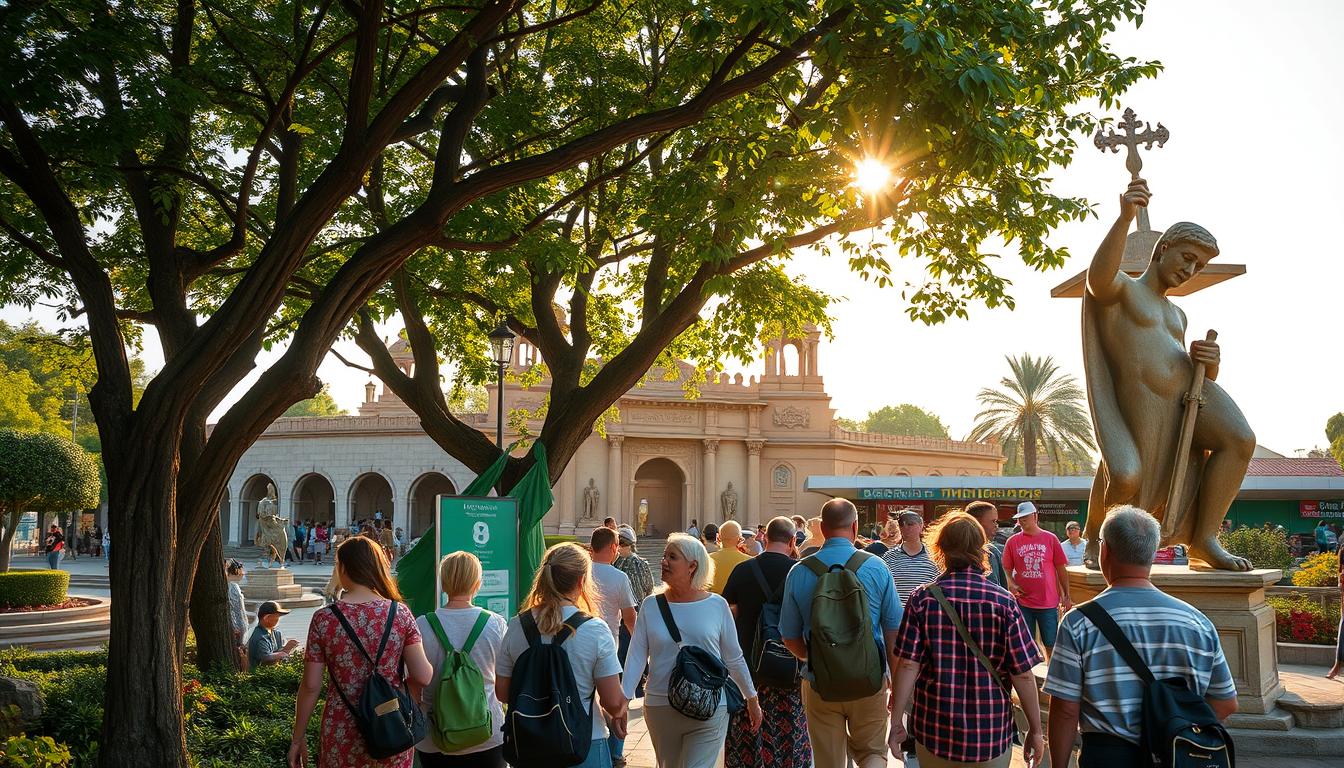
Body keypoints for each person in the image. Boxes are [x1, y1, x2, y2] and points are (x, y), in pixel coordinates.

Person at [1045, 506, 1238, 768]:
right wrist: (1172, 728)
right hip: (1178, 755)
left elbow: (1066, 711)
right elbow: (1226, 703)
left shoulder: (1079, 623)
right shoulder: (1196, 622)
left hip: (1108, 757)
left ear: (1105, 551)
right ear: (1153, 553)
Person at [888, 512, 1045, 768]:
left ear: (939, 549)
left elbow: (907, 665)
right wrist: (1036, 731)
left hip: (935, 732)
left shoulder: (922, 600)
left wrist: (895, 723)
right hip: (990, 735)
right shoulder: (1004, 602)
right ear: (980, 549)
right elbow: (1023, 674)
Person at [779, 499, 903, 768]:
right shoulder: (877, 567)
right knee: (872, 752)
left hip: (820, 682)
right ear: (855, 526)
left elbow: (788, 636)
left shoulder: (799, 571)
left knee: (829, 761)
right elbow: (894, 631)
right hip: (869, 679)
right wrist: (894, 681)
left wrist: (814, 657)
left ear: (822, 528)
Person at [290, 536, 433, 768]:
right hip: (390, 728)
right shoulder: (401, 614)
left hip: (340, 732)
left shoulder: (324, 619)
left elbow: (311, 686)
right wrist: (396, 686)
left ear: (343, 568)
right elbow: (424, 675)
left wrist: (298, 738)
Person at [623, 534, 761, 767]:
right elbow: (636, 655)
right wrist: (624, 699)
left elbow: (733, 657)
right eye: (665, 556)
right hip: (660, 706)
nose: (664, 561)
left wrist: (751, 698)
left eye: (672, 557)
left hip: (710, 705)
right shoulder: (650, 605)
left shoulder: (717, 605)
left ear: (692, 566)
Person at [496, 543, 628, 768]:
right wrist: (620, 711)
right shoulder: (595, 629)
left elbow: (503, 693)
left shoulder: (517, 626)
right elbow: (613, 701)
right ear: (581, 581)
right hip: (583, 743)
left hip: (529, 745)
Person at [721, 517, 810, 768]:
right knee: (789, 738)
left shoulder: (743, 570)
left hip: (748, 670)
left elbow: (728, 612)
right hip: (788, 669)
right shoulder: (800, 571)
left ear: (765, 538)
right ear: (793, 541)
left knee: (746, 738)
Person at [415, 551, 508, 767]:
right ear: (477, 583)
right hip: (486, 732)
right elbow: (504, 676)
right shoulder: (495, 624)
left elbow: (414, 681)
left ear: (443, 582)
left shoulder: (423, 625)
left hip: (435, 735)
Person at [589, 526, 638, 766]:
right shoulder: (619, 577)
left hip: (579, 644)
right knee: (615, 701)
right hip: (609, 647)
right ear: (612, 547)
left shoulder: (580, 572)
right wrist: (641, 650)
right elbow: (630, 619)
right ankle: (616, 750)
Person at [1001, 502, 1072, 656]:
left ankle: (1051, 675)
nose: (1022, 521)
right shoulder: (1012, 541)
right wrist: (1011, 584)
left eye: (1025, 517)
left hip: (1048, 602)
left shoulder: (1050, 539)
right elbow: (1005, 568)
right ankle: (1031, 677)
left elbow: (1061, 568)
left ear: (1035, 516)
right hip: (1023, 601)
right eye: (1020, 518)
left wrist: (1066, 596)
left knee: (1051, 642)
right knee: (1026, 643)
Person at [882, 510, 941, 607]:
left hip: (925, 615)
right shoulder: (889, 558)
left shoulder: (934, 557)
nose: (906, 528)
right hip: (898, 617)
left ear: (921, 525)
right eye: (902, 525)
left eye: (910, 524)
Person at [249, 600, 299, 668]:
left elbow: (277, 652)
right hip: (261, 674)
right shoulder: (259, 637)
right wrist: (283, 652)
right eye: (277, 617)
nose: (278, 619)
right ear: (267, 618)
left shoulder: (276, 634)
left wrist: (287, 648)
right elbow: (265, 659)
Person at [709, 521, 752, 594]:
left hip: (713, 602)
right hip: (737, 603)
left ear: (718, 537)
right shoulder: (749, 561)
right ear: (740, 538)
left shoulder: (708, 558)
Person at [226, 560, 248, 669]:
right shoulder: (232, 587)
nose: (243, 573)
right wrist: (235, 626)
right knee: (238, 649)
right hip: (237, 625)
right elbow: (234, 609)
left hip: (239, 623)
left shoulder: (233, 586)